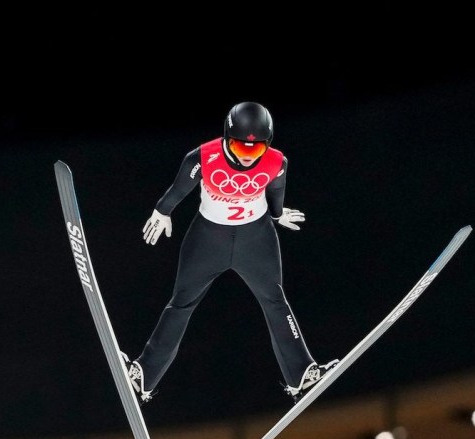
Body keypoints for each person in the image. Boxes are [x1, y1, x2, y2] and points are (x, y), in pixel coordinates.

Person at [121, 101, 339, 404]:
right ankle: (143, 375)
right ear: (226, 138)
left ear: (268, 145)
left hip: (256, 238)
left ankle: (303, 376)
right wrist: (162, 210)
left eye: (255, 151)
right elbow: (179, 188)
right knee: (181, 303)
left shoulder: (278, 162)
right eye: (240, 148)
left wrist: (277, 215)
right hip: (208, 238)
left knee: (275, 301)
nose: (247, 158)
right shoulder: (203, 156)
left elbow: (276, 192)